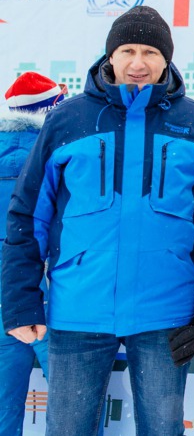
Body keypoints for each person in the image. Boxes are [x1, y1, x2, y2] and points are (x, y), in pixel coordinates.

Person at [1, 6, 194, 436]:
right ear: (110, 56)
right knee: (68, 430)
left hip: (166, 314)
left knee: (163, 430)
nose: (138, 62)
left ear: (167, 59)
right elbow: (27, 217)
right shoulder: (67, 121)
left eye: (150, 52)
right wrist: (21, 302)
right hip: (78, 311)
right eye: (127, 50)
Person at [0, 72, 65, 436]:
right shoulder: (56, 157)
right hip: (49, 295)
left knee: (3, 409)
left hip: (4, 294)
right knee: (74, 407)